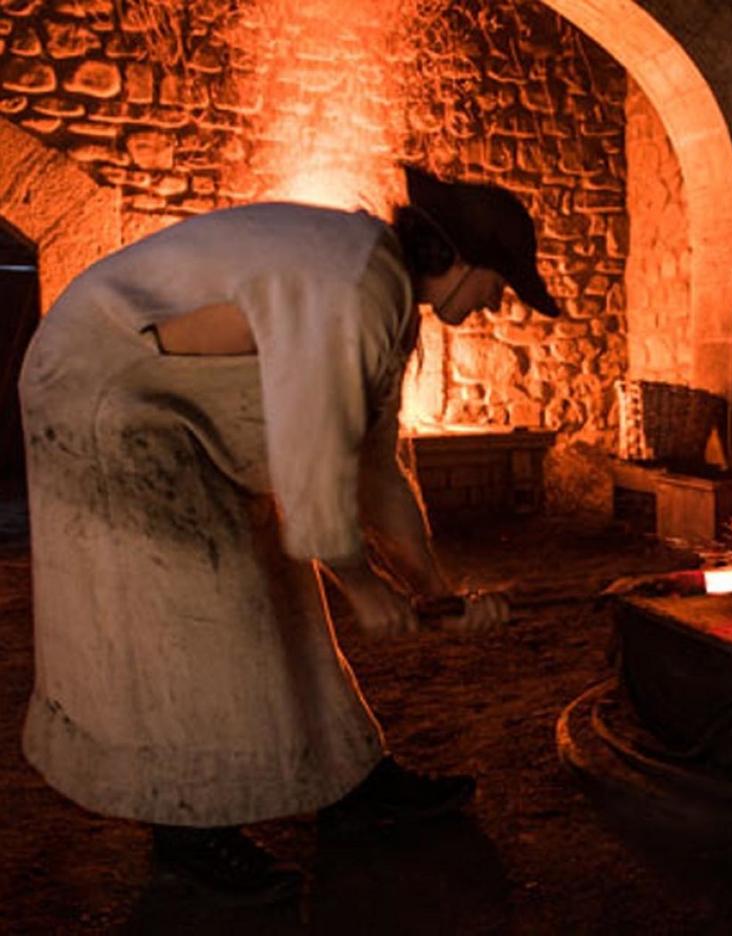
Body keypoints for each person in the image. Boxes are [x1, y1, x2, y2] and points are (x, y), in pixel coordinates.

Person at [17, 166, 560, 902]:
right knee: (205, 611)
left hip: (166, 409)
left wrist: (434, 588)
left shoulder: (387, 297)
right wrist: (365, 587)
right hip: (101, 397)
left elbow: (375, 468)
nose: (499, 302)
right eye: (499, 282)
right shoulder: (354, 287)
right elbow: (314, 461)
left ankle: (348, 785)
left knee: (279, 581)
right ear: (456, 261)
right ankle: (188, 834)